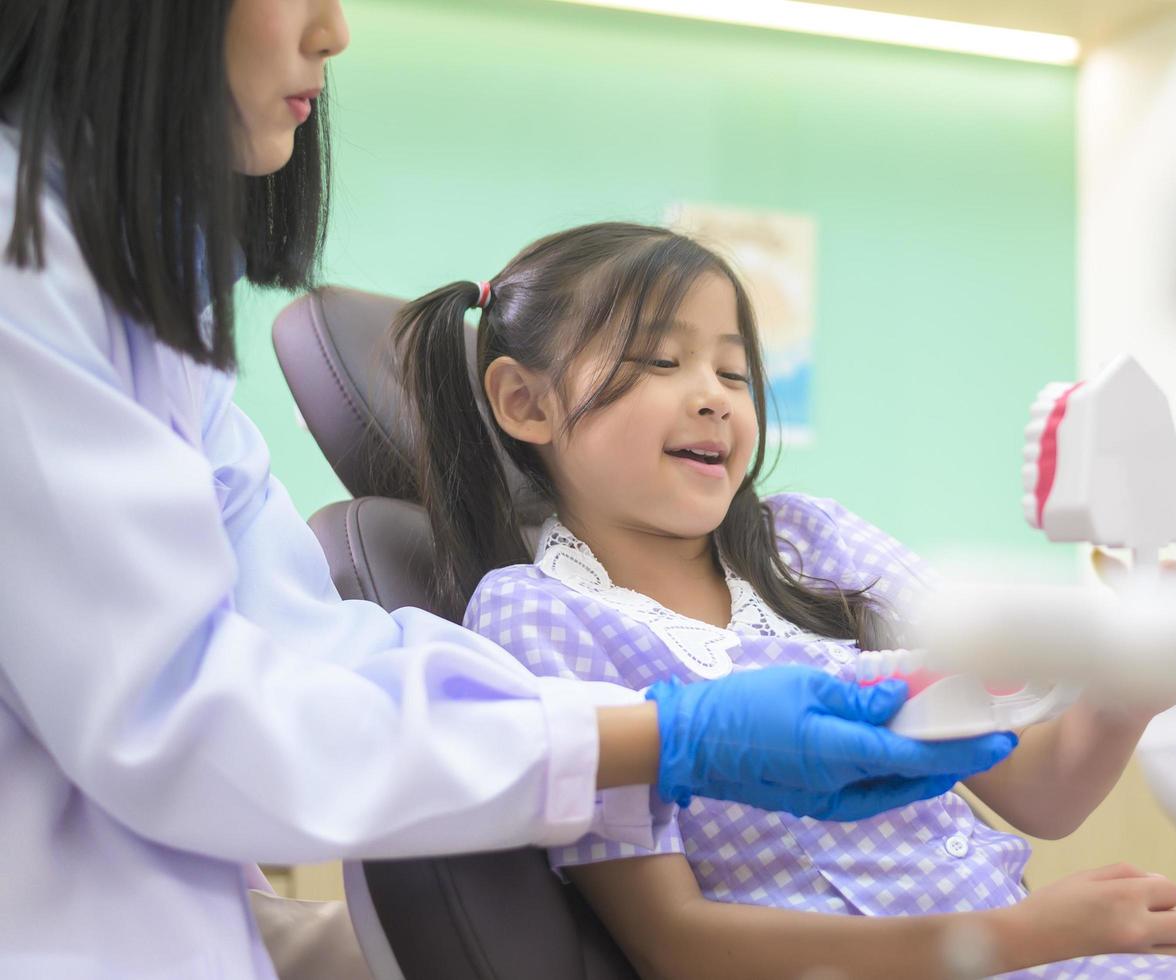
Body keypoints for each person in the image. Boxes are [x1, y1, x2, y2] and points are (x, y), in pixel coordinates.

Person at [0, 3, 1012, 976]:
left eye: (734, 371)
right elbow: (188, 717)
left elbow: (298, 651)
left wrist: (653, 731)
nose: (335, 30)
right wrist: (671, 735)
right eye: (657, 360)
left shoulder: (136, 291)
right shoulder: (24, 278)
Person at [399, 220, 1176, 980]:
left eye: (732, 365)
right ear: (524, 403)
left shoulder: (807, 545)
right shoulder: (539, 617)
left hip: (1023, 950)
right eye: (662, 361)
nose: (716, 395)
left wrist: (1120, 697)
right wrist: (1036, 937)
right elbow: (679, 948)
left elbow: (1033, 788)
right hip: (954, 966)